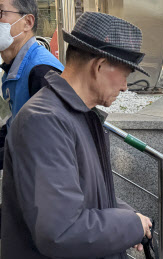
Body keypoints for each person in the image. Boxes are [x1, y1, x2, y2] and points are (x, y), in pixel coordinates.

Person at [1, 12, 152, 258]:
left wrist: (131, 220)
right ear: (99, 66)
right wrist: (130, 226)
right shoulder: (45, 121)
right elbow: (61, 232)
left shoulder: (75, 114)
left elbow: (87, 198)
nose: (125, 86)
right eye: (126, 74)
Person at [0, 0, 64, 168]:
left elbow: (46, 142)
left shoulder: (42, 71)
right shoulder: (15, 67)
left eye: (0, 12)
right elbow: (13, 128)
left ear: (27, 22)